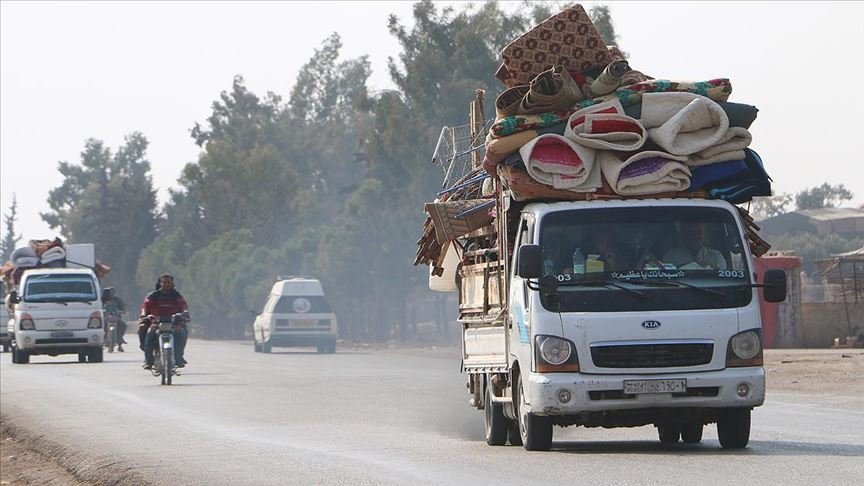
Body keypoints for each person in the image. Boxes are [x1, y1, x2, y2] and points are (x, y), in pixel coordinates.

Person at [139, 274, 190, 369]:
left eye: (169, 282)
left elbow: (183, 306)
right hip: (156, 323)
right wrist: (144, 315)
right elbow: (145, 306)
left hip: (174, 323)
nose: (166, 284)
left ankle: (179, 357)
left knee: (181, 332)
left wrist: (184, 313)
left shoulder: (176, 295)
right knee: (150, 334)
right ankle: (149, 361)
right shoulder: (153, 295)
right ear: (160, 283)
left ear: (172, 284)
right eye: (164, 282)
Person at [662, 223, 727, 270]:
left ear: (704, 234)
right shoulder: (671, 257)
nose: (696, 236)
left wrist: (713, 267)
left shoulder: (716, 256)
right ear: (683, 235)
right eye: (691, 233)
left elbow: (723, 279)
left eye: (699, 232)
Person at [102, 287, 128, 352]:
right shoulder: (102, 300)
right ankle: (103, 339)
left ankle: (120, 342)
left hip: (116, 318)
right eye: (110, 292)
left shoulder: (118, 300)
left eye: (112, 292)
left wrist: (123, 311)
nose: (111, 294)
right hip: (106, 318)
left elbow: (123, 307)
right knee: (101, 326)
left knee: (123, 325)